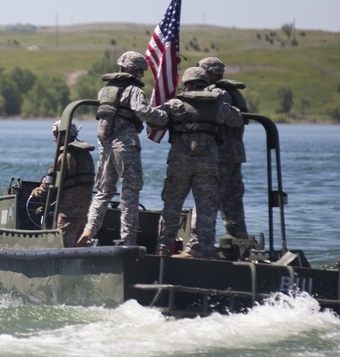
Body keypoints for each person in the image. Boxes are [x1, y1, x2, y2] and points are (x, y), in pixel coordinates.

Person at [76, 51, 168, 247]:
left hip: (106, 146)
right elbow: (142, 111)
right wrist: (163, 117)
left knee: (103, 191)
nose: (142, 75)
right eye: (141, 71)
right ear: (133, 70)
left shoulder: (105, 90)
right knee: (130, 192)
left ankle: (90, 229)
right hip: (125, 146)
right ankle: (128, 238)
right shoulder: (134, 90)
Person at [154, 66, 244, 258]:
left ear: (186, 84)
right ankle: (201, 249)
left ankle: (163, 247)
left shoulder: (175, 105)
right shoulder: (216, 106)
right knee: (206, 205)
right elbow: (237, 120)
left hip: (180, 162)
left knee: (172, 204)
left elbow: (156, 120)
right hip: (208, 162)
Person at [190, 56, 249, 246]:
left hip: (220, 155)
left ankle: (198, 243)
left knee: (208, 197)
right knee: (232, 203)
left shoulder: (217, 93)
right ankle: (240, 243)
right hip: (234, 154)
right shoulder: (230, 93)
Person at [30, 120, 96, 247]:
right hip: (85, 213)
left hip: (67, 215)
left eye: (57, 134)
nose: (55, 138)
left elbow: (49, 185)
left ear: (65, 135)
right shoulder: (86, 155)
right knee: (80, 249)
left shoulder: (64, 157)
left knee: (62, 249)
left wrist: (36, 192)